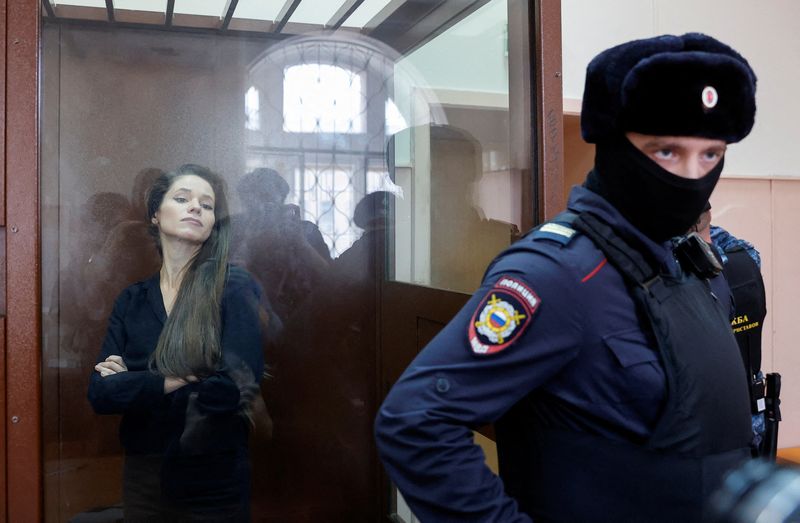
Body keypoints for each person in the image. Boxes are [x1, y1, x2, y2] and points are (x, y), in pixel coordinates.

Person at [374, 33, 758, 522]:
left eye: (710, 155)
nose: (690, 175)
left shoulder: (684, 260)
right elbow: (416, 422)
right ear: (614, 145)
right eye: (666, 152)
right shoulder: (556, 271)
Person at [88, 164, 266, 521]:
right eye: (182, 198)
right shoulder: (133, 300)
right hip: (143, 473)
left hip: (214, 474)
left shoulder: (233, 288)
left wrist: (134, 382)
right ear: (155, 214)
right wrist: (184, 376)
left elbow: (233, 388)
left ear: (214, 221)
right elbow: (101, 394)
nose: (196, 208)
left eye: (207, 204)